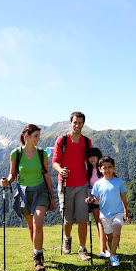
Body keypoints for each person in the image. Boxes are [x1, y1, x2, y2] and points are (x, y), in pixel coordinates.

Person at [0, 124, 55, 271]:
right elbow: (12, 175)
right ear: (26, 136)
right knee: (32, 227)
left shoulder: (41, 153)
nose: (38, 139)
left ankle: (37, 259)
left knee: (37, 223)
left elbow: (47, 174)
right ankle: (38, 251)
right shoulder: (15, 154)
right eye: (35, 136)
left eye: (38, 136)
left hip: (41, 191)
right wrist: (7, 182)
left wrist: (52, 196)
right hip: (24, 193)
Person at [52, 111, 92, 261]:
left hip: (82, 184)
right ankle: (67, 238)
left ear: (83, 124)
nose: (77, 125)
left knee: (83, 219)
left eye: (80, 122)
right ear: (70, 123)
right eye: (75, 122)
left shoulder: (87, 142)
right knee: (68, 220)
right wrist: (60, 170)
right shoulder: (61, 141)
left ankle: (82, 248)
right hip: (65, 185)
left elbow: (91, 162)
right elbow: (55, 161)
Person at [85, 156, 129, 267]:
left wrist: (125, 211)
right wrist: (90, 200)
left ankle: (113, 255)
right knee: (109, 237)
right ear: (100, 169)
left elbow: (123, 197)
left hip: (118, 212)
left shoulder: (119, 182)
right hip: (104, 215)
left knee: (116, 232)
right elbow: (96, 199)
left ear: (114, 168)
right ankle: (112, 253)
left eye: (110, 167)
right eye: (104, 168)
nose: (107, 170)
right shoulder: (98, 184)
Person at [86, 147, 111, 259]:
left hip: (105, 201)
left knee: (104, 224)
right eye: (90, 156)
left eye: (94, 156)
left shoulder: (103, 169)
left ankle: (106, 248)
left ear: (98, 157)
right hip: (94, 201)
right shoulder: (89, 171)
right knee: (99, 223)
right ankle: (104, 249)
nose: (92, 159)